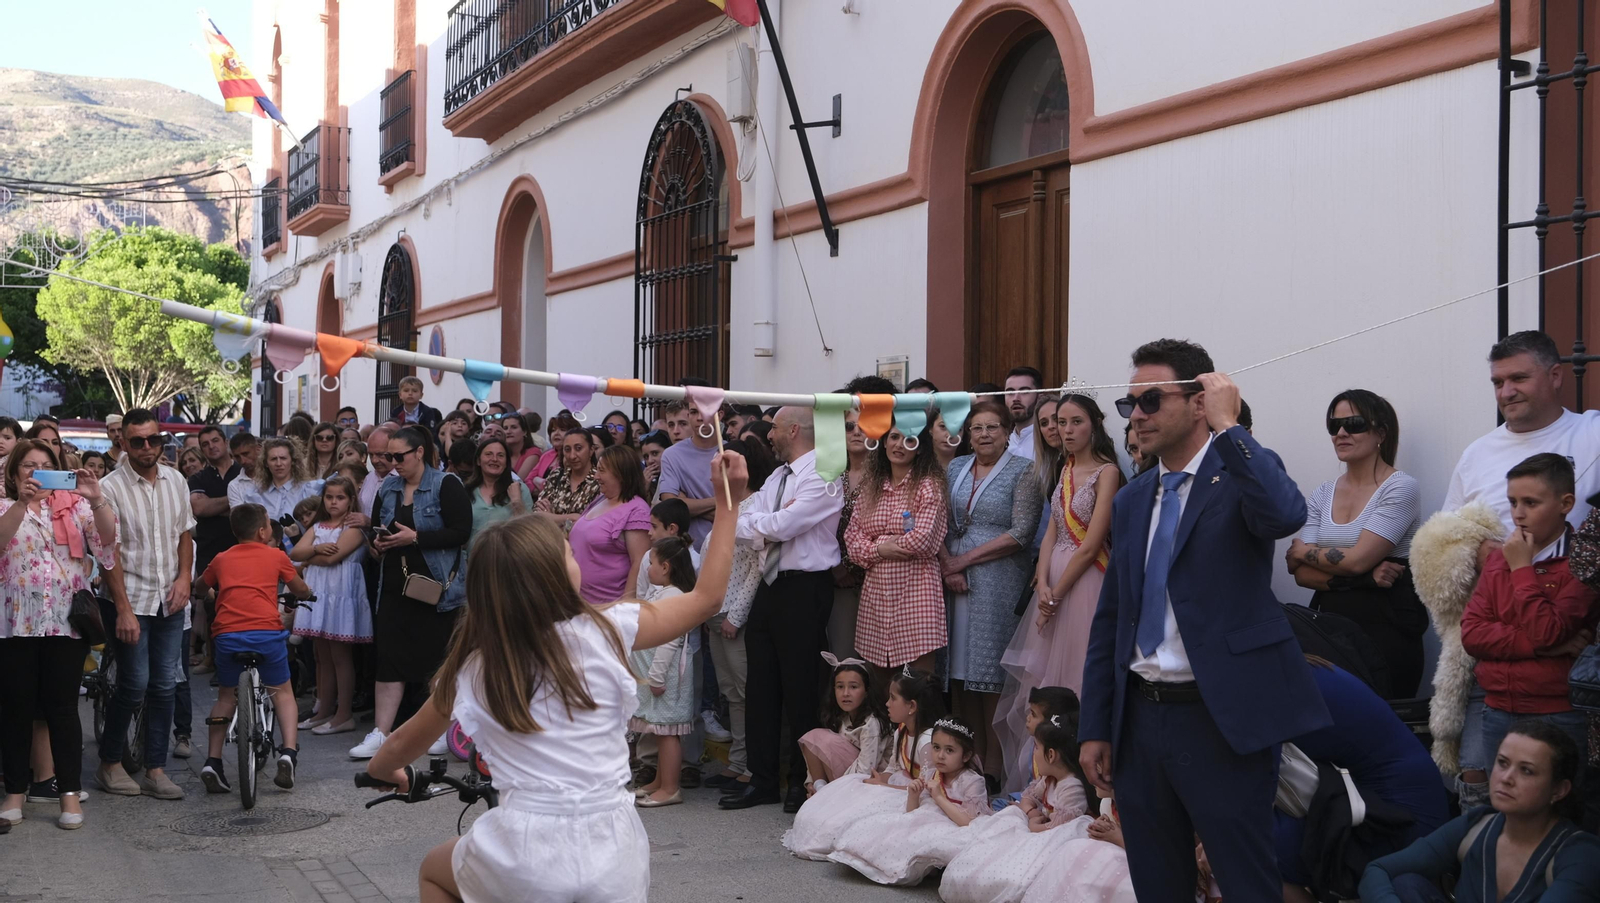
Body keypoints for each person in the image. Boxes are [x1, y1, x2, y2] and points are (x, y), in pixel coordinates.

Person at [360, 451, 745, 903]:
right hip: (613, 846)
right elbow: (706, 598)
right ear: (557, 576)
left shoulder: (474, 665)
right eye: (570, 553)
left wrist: (384, 771)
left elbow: (401, 744)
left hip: (523, 850)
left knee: (434, 870)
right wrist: (728, 504)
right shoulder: (610, 627)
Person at [1079, 339, 1329, 903]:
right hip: (1140, 719)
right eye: (1129, 404)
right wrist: (1095, 725)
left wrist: (1229, 427)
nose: (1136, 416)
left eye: (1151, 401)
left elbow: (1286, 514)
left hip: (1220, 718)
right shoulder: (1133, 499)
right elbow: (1112, 619)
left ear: (1198, 402)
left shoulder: (1237, 475)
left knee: (1244, 879)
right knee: (1158, 881)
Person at [723, 406, 845, 813]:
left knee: (801, 687)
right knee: (761, 686)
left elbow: (783, 526)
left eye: (773, 428)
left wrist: (767, 524)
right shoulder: (777, 476)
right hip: (769, 585)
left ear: (793, 430)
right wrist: (768, 523)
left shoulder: (824, 473)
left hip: (805, 587)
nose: (768, 436)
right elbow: (742, 522)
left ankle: (802, 780)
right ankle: (762, 780)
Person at [997, 391, 1120, 790]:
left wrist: (1057, 593)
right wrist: (1043, 583)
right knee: (1047, 675)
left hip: (1085, 582)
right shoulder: (1064, 469)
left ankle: (1086, 784)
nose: (1066, 430)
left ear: (1094, 425)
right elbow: (1051, 532)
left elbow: (1092, 544)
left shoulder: (1107, 472)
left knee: (1080, 671)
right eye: (1061, 423)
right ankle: (1046, 779)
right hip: (1053, 581)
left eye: (1075, 422)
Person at [0, 440, 116, 830]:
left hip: (64, 623)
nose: (36, 472)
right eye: (28, 465)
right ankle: (15, 793)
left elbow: (106, 541)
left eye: (46, 465)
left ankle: (68, 793)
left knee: (63, 709)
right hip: (16, 623)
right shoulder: (5, 506)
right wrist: (21, 503)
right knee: (16, 708)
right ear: (14, 471)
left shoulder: (76, 507)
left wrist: (96, 497)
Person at [1358, 720, 1600, 902]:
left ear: (1559, 790)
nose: (1506, 778)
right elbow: (1377, 870)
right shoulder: (1475, 826)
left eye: (1526, 771)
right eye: (1502, 763)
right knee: (1406, 884)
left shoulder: (1579, 854)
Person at [1287, 390, 1428, 699]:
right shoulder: (1323, 493)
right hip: (1333, 631)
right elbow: (1301, 575)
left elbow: (1357, 561)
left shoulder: (1400, 487)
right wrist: (1365, 579)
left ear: (1381, 433)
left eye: (1353, 424)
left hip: (1386, 629)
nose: (1341, 432)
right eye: (1334, 425)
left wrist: (1305, 552)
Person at [1276, 657, 1449, 901]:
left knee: (1248, 850)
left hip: (1400, 822)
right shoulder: (1296, 670)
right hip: (1407, 809)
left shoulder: (1277, 692)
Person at [1461, 453, 1597, 762]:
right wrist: (1545, 648)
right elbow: (1472, 634)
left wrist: (1521, 568)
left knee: (1561, 793)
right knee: (1503, 791)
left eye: (1531, 503)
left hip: (1559, 713)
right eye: (1512, 502)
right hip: (1498, 707)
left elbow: (1546, 631)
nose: (1518, 515)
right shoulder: (1499, 559)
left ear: (1565, 503)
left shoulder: (1582, 562)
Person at [349, 426, 471, 761]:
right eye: (389, 456)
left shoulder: (446, 484)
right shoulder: (389, 486)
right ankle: (381, 732)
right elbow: (379, 526)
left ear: (419, 452)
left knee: (437, 660)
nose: (393, 463)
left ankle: (441, 728)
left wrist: (415, 538)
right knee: (389, 658)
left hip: (435, 587)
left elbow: (461, 532)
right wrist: (379, 542)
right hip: (394, 584)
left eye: (398, 456)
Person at [96, 408, 199, 801]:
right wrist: (122, 609)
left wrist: (185, 578)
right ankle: (110, 763)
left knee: (164, 685)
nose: (147, 447)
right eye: (137, 441)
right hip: (130, 599)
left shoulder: (176, 481)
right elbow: (108, 553)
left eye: (153, 439)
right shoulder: (109, 488)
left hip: (169, 598)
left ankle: (155, 769)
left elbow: (185, 534)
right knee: (134, 684)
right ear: (123, 442)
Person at [944, 399, 1043, 789]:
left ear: (1006, 433)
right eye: (977, 428)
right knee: (958, 674)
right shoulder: (955, 467)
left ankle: (995, 770)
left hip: (997, 580)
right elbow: (938, 520)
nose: (984, 434)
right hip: (953, 580)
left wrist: (963, 560)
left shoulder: (1025, 470)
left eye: (992, 427)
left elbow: (1021, 533)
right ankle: (966, 760)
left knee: (991, 677)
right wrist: (947, 564)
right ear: (968, 435)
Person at [197, 503, 312, 797]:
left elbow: (199, 586)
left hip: (227, 636)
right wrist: (307, 593)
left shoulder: (221, 558)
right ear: (263, 531)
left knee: (226, 696)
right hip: (266, 635)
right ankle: (288, 753)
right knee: (282, 693)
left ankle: (213, 761)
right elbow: (298, 588)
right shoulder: (276, 556)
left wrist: (209, 592)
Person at [941, 716, 1110, 903]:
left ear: (1051, 755)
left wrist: (1033, 824)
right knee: (1009, 817)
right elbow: (1028, 797)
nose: (1034, 753)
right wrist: (1029, 812)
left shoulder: (1072, 787)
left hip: (1055, 839)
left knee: (1017, 865)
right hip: (1041, 828)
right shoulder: (1049, 778)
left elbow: (1060, 829)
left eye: (1036, 747)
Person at [784, 668, 943, 860]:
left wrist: (883, 786)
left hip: (912, 797)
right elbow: (893, 768)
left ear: (912, 706)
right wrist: (878, 781)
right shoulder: (900, 730)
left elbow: (925, 790)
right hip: (894, 786)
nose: (887, 703)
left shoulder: (926, 742)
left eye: (893, 698)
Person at [826, 716, 991, 886]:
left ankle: (919, 865)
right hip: (926, 819)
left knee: (923, 838)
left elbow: (969, 822)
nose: (940, 756)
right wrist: (914, 795)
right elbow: (913, 813)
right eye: (936, 747)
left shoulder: (972, 781)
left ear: (966, 755)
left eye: (949, 750)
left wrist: (939, 798)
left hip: (953, 826)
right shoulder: (932, 773)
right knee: (892, 828)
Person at [846, 425, 950, 680]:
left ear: (920, 447)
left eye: (909, 439)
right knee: (881, 685)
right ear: (883, 443)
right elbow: (851, 540)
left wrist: (874, 544)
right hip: (876, 596)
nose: (899, 444)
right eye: (894, 437)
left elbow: (923, 540)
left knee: (918, 683)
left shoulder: (928, 486)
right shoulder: (871, 487)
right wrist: (881, 548)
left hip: (917, 592)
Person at [289, 477, 371, 736]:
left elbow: (332, 559)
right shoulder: (318, 526)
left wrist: (310, 557)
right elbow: (294, 553)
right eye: (329, 497)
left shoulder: (353, 528)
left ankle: (343, 714)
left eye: (340, 498)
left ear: (351, 500)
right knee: (322, 657)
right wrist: (317, 549)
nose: (334, 502)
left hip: (340, 595)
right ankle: (324, 710)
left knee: (340, 657)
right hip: (320, 595)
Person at [629, 536, 699, 807]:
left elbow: (670, 640)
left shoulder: (674, 596)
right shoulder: (663, 592)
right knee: (660, 730)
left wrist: (656, 677)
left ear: (666, 567)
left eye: (651, 563)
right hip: (655, 675)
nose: (648, 568)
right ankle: (660, 781)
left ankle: (670, 788)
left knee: (668, 732)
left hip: (664, 677)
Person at [188, 425, 243, 678]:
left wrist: (215, 505)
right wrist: (235, 500)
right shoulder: (198, 478)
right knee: (214, 608)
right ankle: (218, 663)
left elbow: (251, 506)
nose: (211, 446)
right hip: (210, 551)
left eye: (215, 440)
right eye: (205, 444)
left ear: (225, 441)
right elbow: (199, 508)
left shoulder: (242, 472)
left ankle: (239, 664)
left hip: (241, 549)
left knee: (241, 607)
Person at [567, 446, 652, 604]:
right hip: (578, 602)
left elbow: (638, 562)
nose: (596, 476)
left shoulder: (637, 510)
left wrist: (625, 605)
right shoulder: (600, 500)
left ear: (620, 474)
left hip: (609, 606)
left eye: (602, 470)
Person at [798, 653, 891, 797]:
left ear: (867, 691)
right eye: (840, 687)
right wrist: (813, 782)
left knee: (823, 739)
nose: (845, 693)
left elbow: (865, 770)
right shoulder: (842, 717)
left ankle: (827, 795)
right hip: (848, 775)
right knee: (814, 738)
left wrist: (834, 789)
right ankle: (819, 790)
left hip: (870, 780)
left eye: (853, 687)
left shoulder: (872, 723)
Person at [829, 406, 873, 661]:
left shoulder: (886, 476)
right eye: (849, 426)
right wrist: (836, 567)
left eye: (863, 426)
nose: (856, 432)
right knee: (843, 657)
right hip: (837, 580)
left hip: (877, 579)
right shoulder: (830, 474)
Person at [656, 400, 722, 549]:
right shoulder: (671, 455)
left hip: (727, 545)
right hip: (687, 551)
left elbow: (741, 509)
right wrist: (721, 501)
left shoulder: (730, 451)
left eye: (705, 412)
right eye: (693, 412)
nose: (699, 418)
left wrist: (687, 503)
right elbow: (671, 506)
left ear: (719, 415)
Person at [227, 437, 322, 523]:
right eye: (273, 459)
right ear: (266, 463)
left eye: (283, 458)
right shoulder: (255, 493)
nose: (278, 463)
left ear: (292, 461)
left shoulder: (307, 490)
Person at [464, 438, 528, 551]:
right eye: (488, 454)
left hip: (509, 557)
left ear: (506, 462)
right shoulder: (466, 490)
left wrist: (516, 501)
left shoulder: (519, 489)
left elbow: (528, 529)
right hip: (473, 558)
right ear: (478, 461)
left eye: (500, 455)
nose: (494, 459)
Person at [534, 427, 601, 526]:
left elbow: (587, 522)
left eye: (578, 448)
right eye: (567, 450)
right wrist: (570, 517)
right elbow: (537, 513)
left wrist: (550, 517)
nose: (572, 456)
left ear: (591, 450)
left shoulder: (599, 480)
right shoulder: (556, 475)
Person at [1004, 367, 1044, 459]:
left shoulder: (1048, 439)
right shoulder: (1000, 441)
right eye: (1010, 392)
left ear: (1039, 397)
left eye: (1024, 392)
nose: (1016, 399)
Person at [639, 429, 671, 501]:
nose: (650, 461)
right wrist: (643, 490)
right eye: (646, 457)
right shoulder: (647, 483)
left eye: (655, 453)